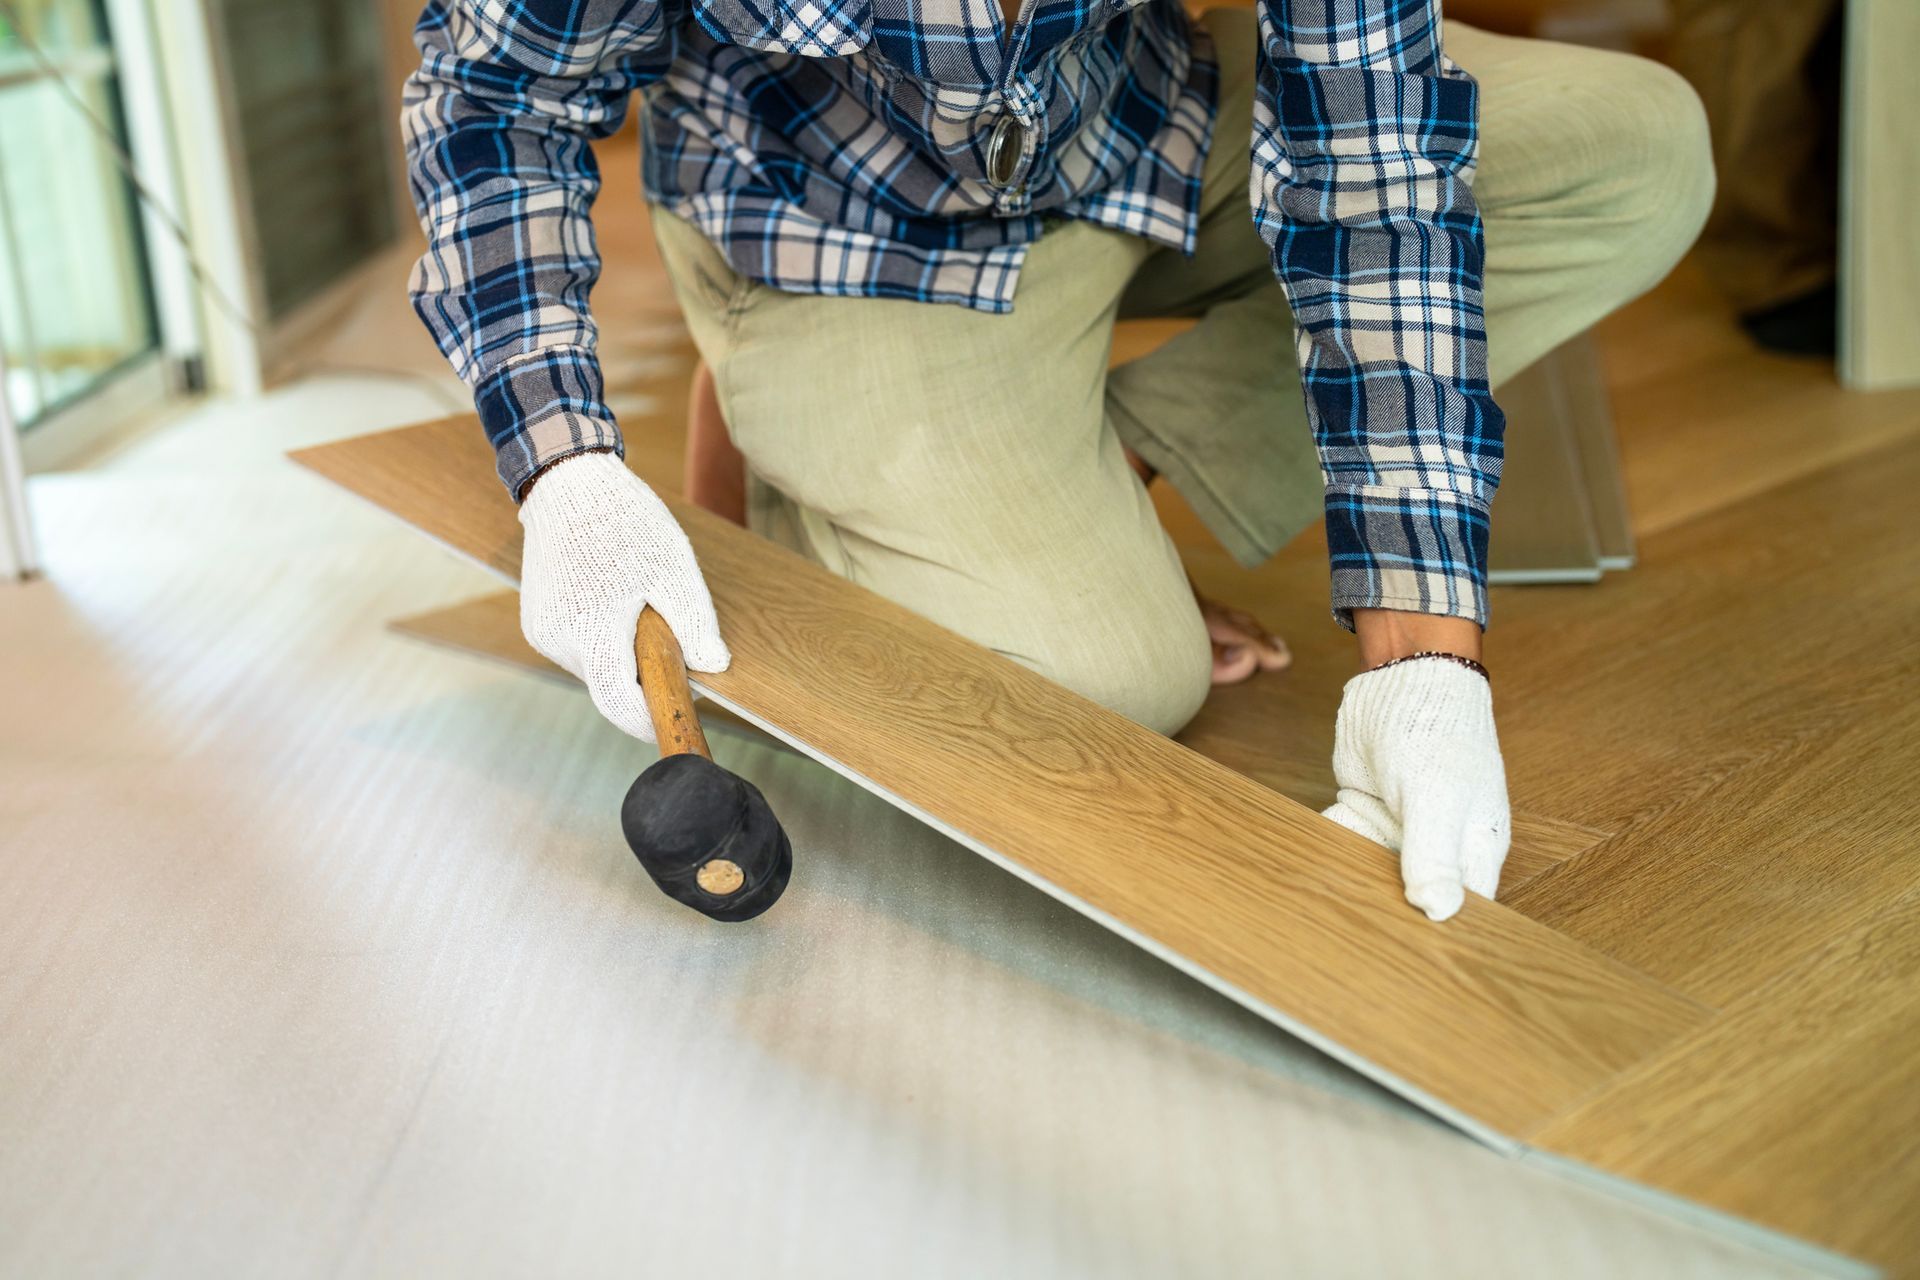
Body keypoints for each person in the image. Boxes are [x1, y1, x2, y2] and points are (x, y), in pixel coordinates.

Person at [402, 0, 1711, 922]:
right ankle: (778, 414)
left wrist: (1423, 661)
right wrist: (565, 466)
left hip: (1135, 130)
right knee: (1117, 677)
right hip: (836, 235)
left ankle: (1086, 464)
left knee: (1632, 154)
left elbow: (1373, 161)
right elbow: (497, 95)